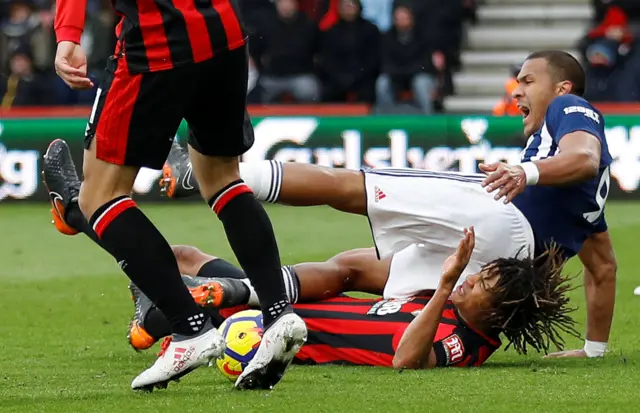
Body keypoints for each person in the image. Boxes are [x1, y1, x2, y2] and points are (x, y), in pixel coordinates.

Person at [161, 50, 617, 360]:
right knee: (354, 269)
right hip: (505, 263)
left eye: (527, 81)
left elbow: (582, 157)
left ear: (562, 88)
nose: (516, 91)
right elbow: (604, 267)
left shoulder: (571, 107)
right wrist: (593, 351)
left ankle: (214, 175)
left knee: (348, 186)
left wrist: (526, 172)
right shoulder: (583, 200)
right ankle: (241, 293)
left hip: (501, 219)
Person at [48, 0, 306, 391]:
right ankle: (277, 311)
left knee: (98, 196)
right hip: (225, 33)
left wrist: (68, 33)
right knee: (222, 178)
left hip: (157, 41)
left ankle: (191, 328)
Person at [127, 229, 580, 369]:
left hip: (268, 327)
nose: (469, 281)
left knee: (178, 284)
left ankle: (155, 314)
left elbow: (407, 361)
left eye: (482, 285)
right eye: (479, 275)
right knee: (184, 255)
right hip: (278, 301)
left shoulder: (466, 343)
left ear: (498, 313)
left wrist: (443, 289)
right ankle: (85, 216)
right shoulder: (435, 299)